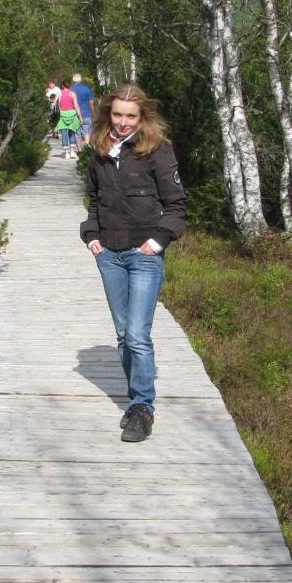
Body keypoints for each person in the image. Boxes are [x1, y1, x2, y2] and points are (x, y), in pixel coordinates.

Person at [81, 84, 186, 442]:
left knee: (138, 336)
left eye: (131, 116)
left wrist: (156, 243)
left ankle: (142, 407)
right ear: (107, 114)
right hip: (108, 255)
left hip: (143, 256)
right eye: (118, 115)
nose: (124, 123)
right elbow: (94, 199)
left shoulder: (157, 151)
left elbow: (176, 206)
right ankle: (136, 401)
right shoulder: (99, 151)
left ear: (142, 117)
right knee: (124, 334)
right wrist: (91, 236)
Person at [54, 79, 83, 158]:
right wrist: (80, 117)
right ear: (69, 86)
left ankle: (66, 152)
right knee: (72, 132)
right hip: (72, 114)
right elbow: (76, 106)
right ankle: (72, 151)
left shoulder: (59, 93)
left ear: (62, 86)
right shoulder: (72, 94)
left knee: (64, 134)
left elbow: (54, 103)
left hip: (63, 115)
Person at [70, 72, 96, 144]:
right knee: (86, 132)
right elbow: (91, 102)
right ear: (80, 80)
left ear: (73, 80)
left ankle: (79, 150)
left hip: (74, 115)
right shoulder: (86, 89)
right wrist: (93, 112)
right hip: (86, 114)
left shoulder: (70, 90)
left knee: (77, 134)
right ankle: (86, 147)